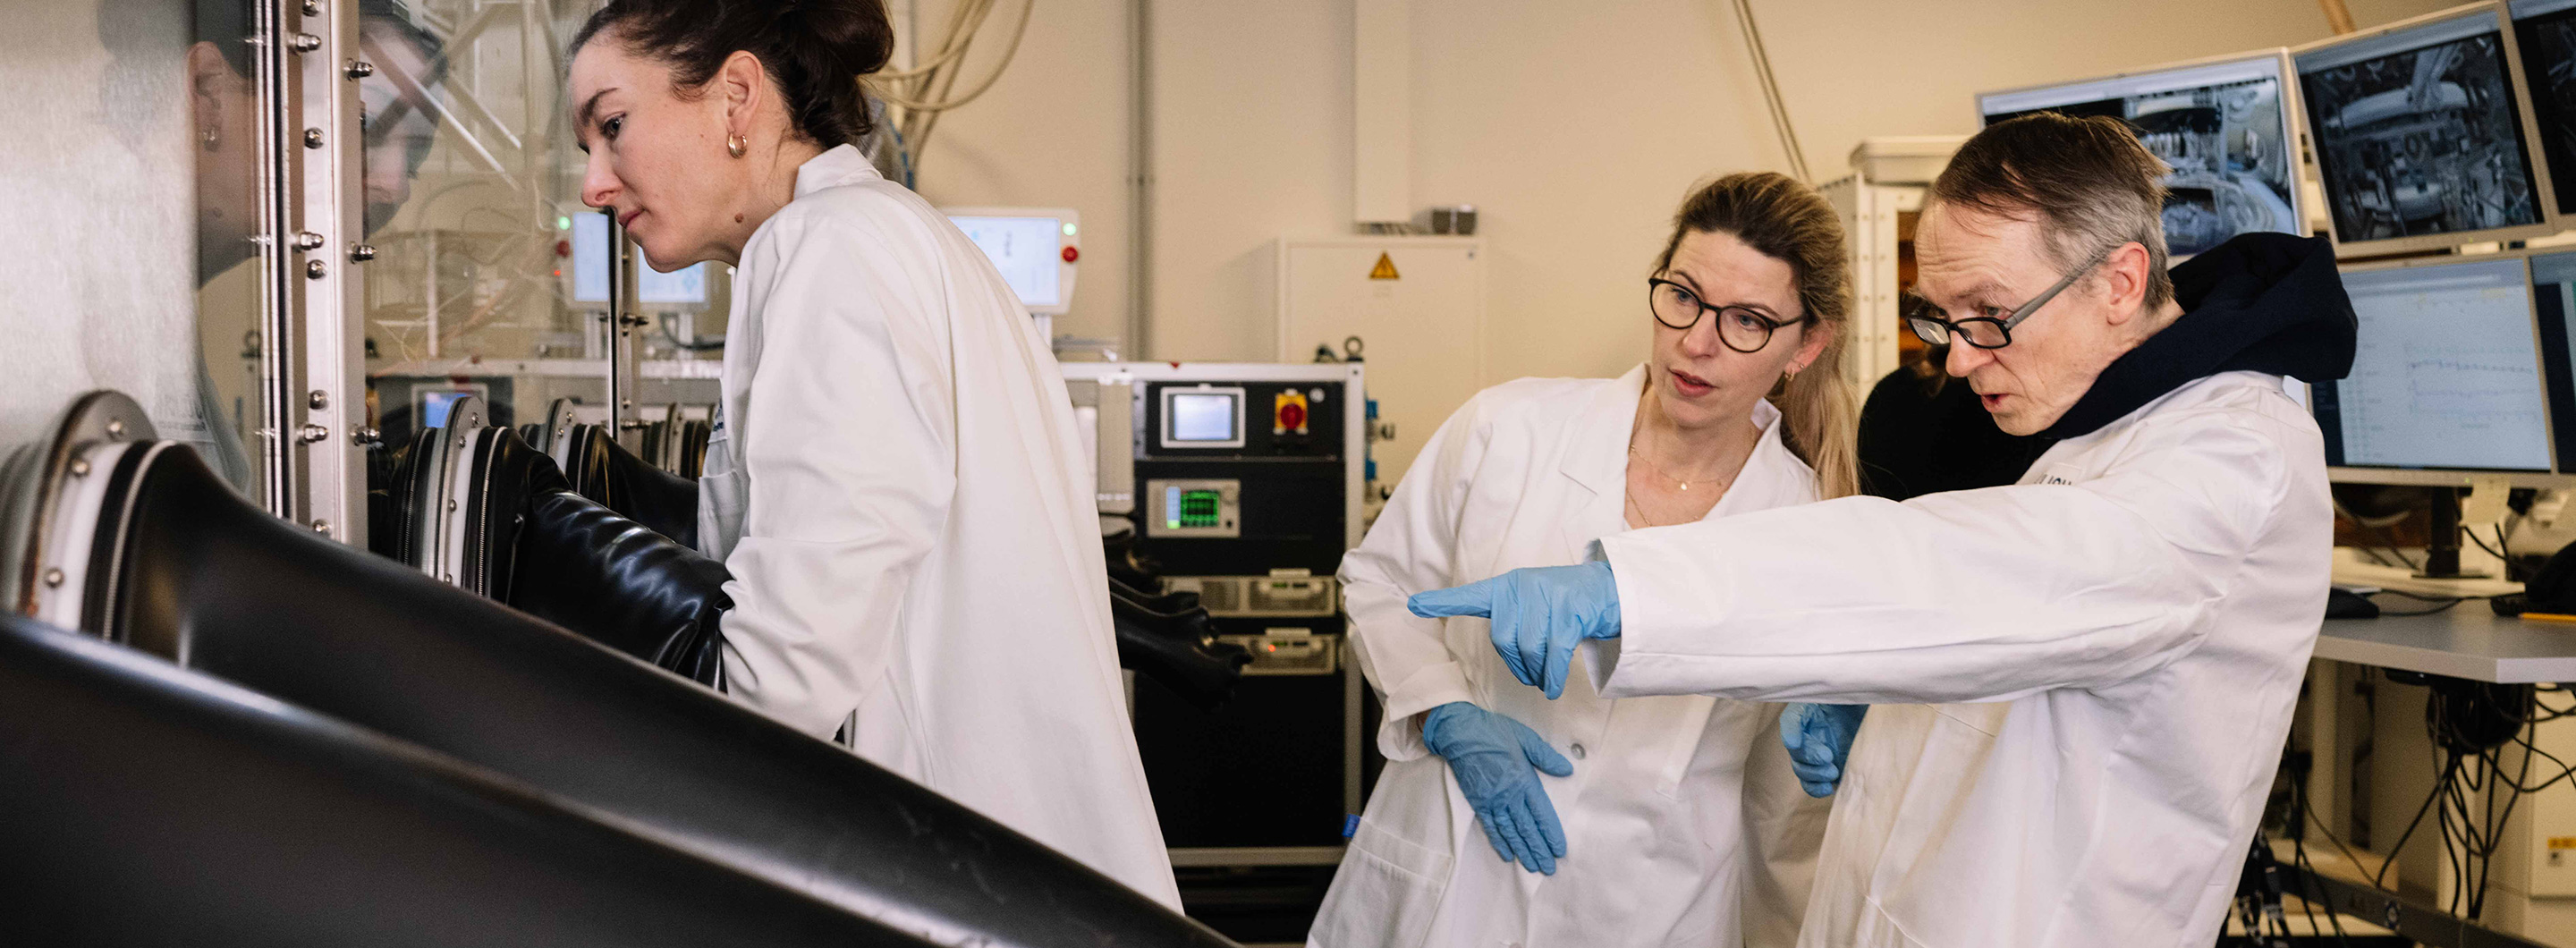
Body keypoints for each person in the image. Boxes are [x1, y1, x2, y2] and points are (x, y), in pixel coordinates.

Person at [1411, 113, 2355, 945]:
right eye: (1941, 320)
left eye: (1990, 315)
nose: (1959, 355)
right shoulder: (2097, 419)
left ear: (2121, 279)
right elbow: (2011, 650)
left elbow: (1981, 574)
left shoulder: (2233, 459)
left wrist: (1630, 588)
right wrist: (1890, 714)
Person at [564, 0, 1178, 905]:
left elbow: (786, 675)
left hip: (960, 870)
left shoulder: (835, 250)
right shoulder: (864, 236)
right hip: (1004, 863)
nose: (593, 183)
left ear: (737, 96)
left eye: (612, 127)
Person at [1309, 173, 1847, 948]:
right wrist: (1445, 711)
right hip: (1455, 874)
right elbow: (1380, 578)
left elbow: (1781, 799)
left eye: (1750, 321)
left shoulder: (1808, 527)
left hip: (1658, 906)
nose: (1697, 342)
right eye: (1685, 297)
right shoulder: (1509, 427)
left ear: (1809, 344)